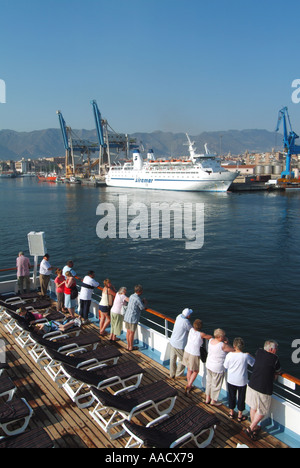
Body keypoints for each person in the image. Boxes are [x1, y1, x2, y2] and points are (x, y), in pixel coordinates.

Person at [245, 340, 281, 441]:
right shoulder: (275, 358)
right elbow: (278, 370)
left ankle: (254, 426)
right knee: (262, 411)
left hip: (252, 384)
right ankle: (251, 428)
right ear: (271, 349)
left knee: (253, 407)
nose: (276, 350)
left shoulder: (259, 352)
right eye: (275, 349)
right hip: (263, 388)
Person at [224, 337, 255, 422]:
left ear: (234, 346)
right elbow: (254, 363)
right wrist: (250, 355)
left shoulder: (229, 355)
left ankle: (231, 412)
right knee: (241, 397)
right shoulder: (245, 356)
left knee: (231, 396)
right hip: (242, 381)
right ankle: (240, 415)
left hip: (231, 380)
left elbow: (225, 366)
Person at [182, 319, 212, 395]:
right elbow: (209, 337)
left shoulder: (191, 330)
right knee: (196, 371)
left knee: (189, 369)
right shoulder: (201, 334)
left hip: (187, 351)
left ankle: (190, 384)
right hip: (193, 354)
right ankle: (189, 385)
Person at [205, 328, 234, 406]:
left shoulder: (211, 341)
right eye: (223, 336)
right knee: (216, 384)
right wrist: (227, 342)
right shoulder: (222, 345)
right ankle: (213, 401)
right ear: (220, 337)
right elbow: (233, 350)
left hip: (209, 365)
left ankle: (207, 398)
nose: (224, 337)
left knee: (209, 382)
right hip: (217, 367)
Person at [169, 308, 193, 379]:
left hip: (173, 341)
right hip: (179, 344)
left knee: (172, 358)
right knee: (183, 359)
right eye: (190, 314)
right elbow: (191, 330)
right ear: (188, 315)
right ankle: (179, 374)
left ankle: (172, 373)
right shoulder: (186, 322)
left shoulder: (178, 316)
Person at [123, 285, 146, 351]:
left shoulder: (131, 296)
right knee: (131, 333)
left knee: (128, 332)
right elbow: (142, 307)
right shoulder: (138, 299)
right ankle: (131, 347)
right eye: (141, 291)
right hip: (132, 318)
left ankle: (128, 346)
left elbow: (135, 303)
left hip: (127, 316)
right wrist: (145, 303)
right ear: (139, 291)